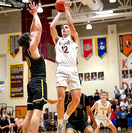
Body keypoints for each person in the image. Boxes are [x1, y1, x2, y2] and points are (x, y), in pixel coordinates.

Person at [50, 0, 81, 132]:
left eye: (65, 28)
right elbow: (52, 27)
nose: (64, 29)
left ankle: (66, 117)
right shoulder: (58, 40)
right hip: (61, 68)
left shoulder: (74, 38)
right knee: (61, 98)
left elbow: (70, 23)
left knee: (76, 100)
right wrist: (59, 13)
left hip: (73, 69)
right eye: (62, 28)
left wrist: (67, 10)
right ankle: (59, 123)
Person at [18, 2, 47, 133]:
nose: (33, 34)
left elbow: (33, 30)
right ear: (30, 41)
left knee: (29, 113)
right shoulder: (32, 48)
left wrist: (33, 16)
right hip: (39, 81)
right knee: (37, 113)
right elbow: (39, 29)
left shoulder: (27, 50)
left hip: (31, 83)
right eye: (31, 37)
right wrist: (35, 14)